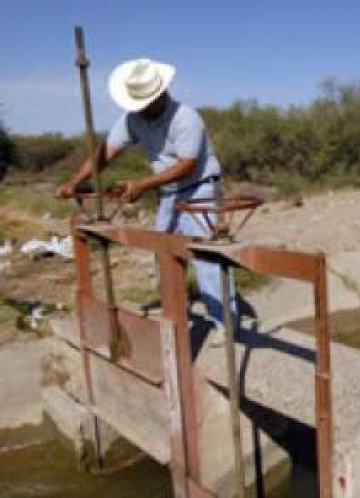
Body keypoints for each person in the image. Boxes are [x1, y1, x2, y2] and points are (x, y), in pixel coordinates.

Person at [56, 58, 233, 346]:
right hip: (170, 193)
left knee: (207, 257)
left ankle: (223, 324)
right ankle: (175, 316)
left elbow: (187, 164)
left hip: (200, 190)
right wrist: (74, 182)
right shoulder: (133, 119)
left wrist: (142, 185)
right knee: (163, 253)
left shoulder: (185, 117)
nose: (140, 108)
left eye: (146, 102)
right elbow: (106, 153)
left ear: (161, 93)